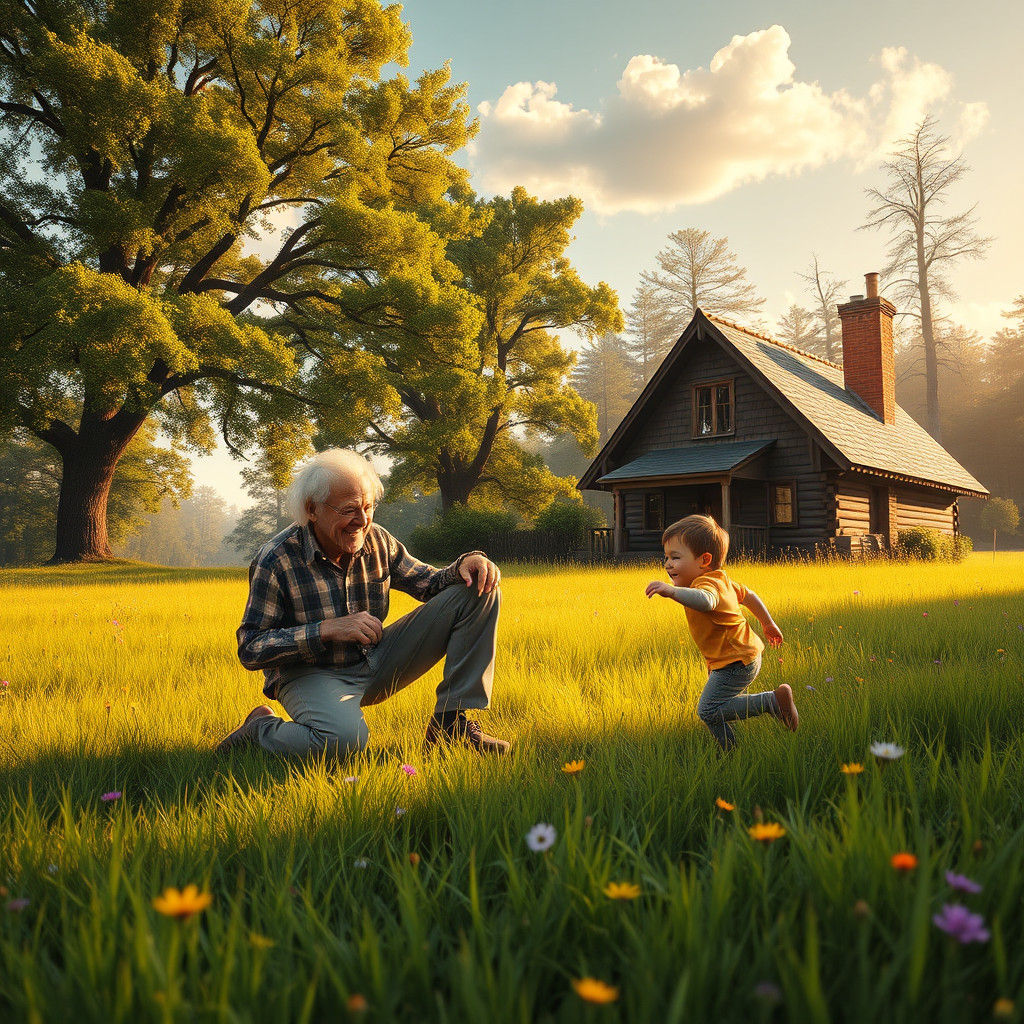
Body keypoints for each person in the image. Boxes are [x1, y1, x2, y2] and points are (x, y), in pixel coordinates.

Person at [217, 448, 510, 758]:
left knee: (477, 588)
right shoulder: (276, 559)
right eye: (348, 509)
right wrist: (326, 630)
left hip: (375, 660)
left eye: (368, 507)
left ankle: (451, 726)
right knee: (343, 742)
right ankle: (260, 731)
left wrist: (470, 561)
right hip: (309, 674)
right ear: (312, 509)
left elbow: (430, 584)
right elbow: (251, 648)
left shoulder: (378, 540)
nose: (362, 520)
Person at [644, 514, 798, 750]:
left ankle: (772, 701)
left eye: (675, 557)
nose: (667, 564)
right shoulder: (720, 578)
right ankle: (728, 750)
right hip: (736, 658)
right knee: (721, 707)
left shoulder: (707, 585)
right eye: (666, 557)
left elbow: (706, 602)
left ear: (704, 560)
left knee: (709, 710)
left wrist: (671, 591)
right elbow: (750, 596)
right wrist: (767, 624)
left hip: (735, 662)